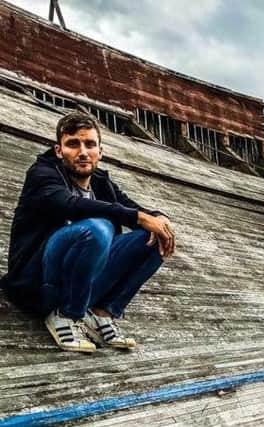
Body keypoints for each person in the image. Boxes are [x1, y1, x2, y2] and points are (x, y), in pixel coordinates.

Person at [0, 112, 176, 353]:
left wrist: (159, 217)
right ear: (59, 150)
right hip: (38, 282)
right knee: (98, 227)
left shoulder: (101, 183)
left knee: (154, 236)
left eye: (90, 144)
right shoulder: (43, 174)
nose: (83, 152)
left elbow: (134, 210)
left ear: (100, 152)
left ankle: (100, 314)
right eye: (73, 144)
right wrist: (138, 217)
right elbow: (71, 205)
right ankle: (64, 315)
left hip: (83, 282)